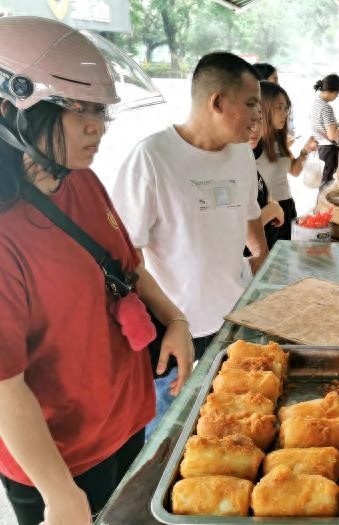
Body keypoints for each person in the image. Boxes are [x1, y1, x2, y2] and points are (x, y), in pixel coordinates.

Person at [0, 17, 193, 525]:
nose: (98, 127)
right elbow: (5, 388)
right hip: (61, 457)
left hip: (128, 418)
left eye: (101, 111)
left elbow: (127, 266)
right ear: (11, 108)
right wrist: (59, 495)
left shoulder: (81, 180)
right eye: (76, 110)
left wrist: (174, 319)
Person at [111, 52, 268, 435]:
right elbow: (126, 255)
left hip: (234, 321)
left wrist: (263, 265)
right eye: (249, 104)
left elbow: (250, 219)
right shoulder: (152, 158)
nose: (256, 117)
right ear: (217, 102)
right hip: (174, 326)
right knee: (167, 433)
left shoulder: (242, 155)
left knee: (233, 426)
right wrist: (167, 319)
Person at [257, 81, 317, 244]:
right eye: (279, 108)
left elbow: (295, 171)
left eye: (286, 108)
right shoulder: (253, 143)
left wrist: (305, 151)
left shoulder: (279, 138)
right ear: (263, 107)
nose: (285, 113)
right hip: (267, 212)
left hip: (287, 206)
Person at [310, 74, 339, 189]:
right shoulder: (326, 108)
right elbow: (332, 136)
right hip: (328, 150)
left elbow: (322, 126)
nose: (337, 97)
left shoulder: (316, 102)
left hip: (321, 147)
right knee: (327, 184)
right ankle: (322, 206)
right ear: (332, 91)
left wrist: (338, 124)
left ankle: (320, 206)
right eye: (337, 94)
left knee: (323, 181)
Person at [246, 120, 285, 252]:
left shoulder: (247, 156)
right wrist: (272, 210)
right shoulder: (230, 164)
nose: (256, 128)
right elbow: (235, 232)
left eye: (261, 121)